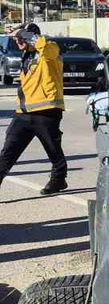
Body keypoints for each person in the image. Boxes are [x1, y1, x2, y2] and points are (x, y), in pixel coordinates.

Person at [0, 24, 68, 195]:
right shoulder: (27, 56)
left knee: (53, 150)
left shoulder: (50, 50)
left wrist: (23, 32)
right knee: (8, 152)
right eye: (16, 39)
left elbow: (42, 44)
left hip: (46, 111)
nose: (18, 42)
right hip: (23, 113)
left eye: (21, 38)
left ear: (31, 36)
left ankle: (59, 179)